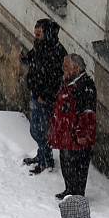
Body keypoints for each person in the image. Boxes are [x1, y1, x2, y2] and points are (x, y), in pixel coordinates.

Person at [20, 18, 67, 175]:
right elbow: (33, 57)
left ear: (47, 34)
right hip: (36, 94)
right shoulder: (41, 46)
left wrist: (45, 95)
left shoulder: (56, 52)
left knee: (40, 130)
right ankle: (42, 156)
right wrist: (25, 59)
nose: (36, 36)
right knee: (37, 128)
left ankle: (46, 160)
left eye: (39, 33)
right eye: (35, 33)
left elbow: (56, 78)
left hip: (45, 99)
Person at [49, 54, 97, 199]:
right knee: (66, 163)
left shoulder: (85, 86)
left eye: (66, 67)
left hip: (77, 136)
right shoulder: (68, 82)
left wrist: (81, 134)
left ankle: (77, 195)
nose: (63, 70)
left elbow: (87, 113)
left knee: (78, 167)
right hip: (66, 134)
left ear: (76, 68)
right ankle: (69, 190)